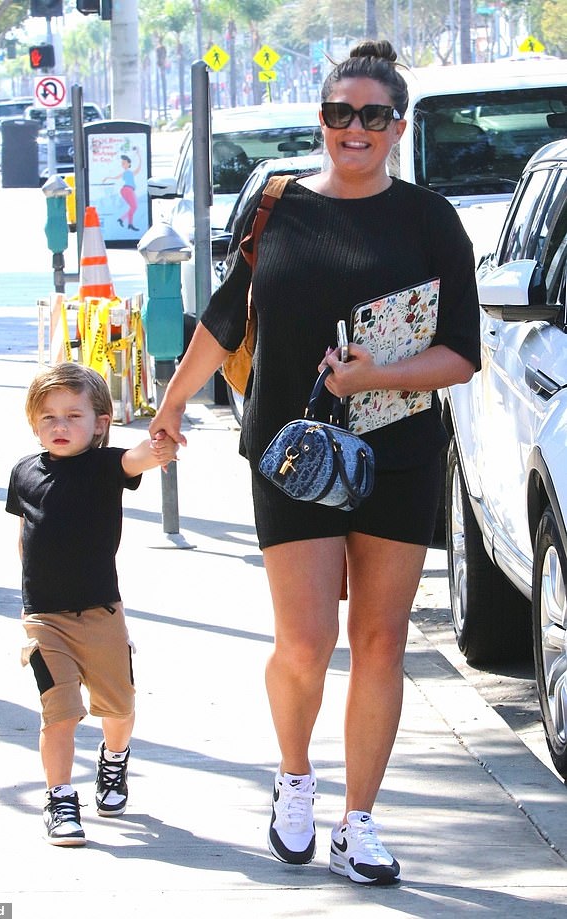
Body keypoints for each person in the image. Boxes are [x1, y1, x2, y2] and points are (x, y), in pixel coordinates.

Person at [150, 40, 480, 885]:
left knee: (379, 640)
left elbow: (461, 356)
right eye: (341, 113)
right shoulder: (278, 206)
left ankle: (358, 819)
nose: (356, 128)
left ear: (398, 125)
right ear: (322, 121)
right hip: (292, 453)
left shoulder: (430, 219)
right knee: (304, 641)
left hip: (398, 453)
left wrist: (382, 376)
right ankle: (294, 777)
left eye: (374, 114)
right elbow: (228, 315)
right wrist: (175, 398)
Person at [6, 362, 177, 846]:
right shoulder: (23, 472)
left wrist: (164, 431)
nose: (60, 426)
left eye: (73, 416)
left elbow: (144, 455)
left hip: (101, 613)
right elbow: (25, 535)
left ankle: (114, 760)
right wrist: (28, 600)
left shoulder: (107, 466)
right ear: (34, 422)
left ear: (100, 422)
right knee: (58, 713)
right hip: (45, 619)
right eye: (48, 417)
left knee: (118, 708)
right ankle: (60, 799)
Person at [103, 148, 141, 231]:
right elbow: (138, 169)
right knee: (134, 207)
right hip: (127, 190)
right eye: (122, 163)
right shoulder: (127, 172)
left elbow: (138, 168)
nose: (122, 164)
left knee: (133, 207)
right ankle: (128, 222)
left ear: (128, 163)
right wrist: (108, 178)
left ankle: (125, 221)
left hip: (126, 190)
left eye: (124, 163)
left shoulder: (128, 172)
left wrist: (138, 155)